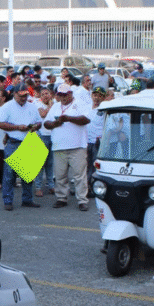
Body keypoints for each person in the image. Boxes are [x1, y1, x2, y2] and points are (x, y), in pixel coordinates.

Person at [0, 83, 43, 210]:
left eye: (25, 95)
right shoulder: (7, 106)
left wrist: (35, 126)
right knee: (9, 175)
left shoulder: (32, 106)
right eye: (21, 95)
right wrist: (17, 127)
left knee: (27, 173)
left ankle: (27, 199)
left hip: (28, 141)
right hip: (14, 142)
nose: (23, 98)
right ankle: (8, 200)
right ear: (15, 94)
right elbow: (0, 124)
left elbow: (39, 122)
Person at [44, 83, 91, 211]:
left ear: (70, 94)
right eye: (60, 95)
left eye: (65, 94)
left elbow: (86, 119)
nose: (63, 97)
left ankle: (82, 199)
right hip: (59, 146)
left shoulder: (80, 104)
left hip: (77, 146)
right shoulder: (55, 106)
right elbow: (46, 124)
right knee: (60, 175)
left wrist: (69, 118)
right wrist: (55, 123)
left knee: (79, 175)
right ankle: (61, 198)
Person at [33, 86, 55, 196]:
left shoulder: (55, 104)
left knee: (50, 163)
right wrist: (51, 106)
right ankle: (38, 187)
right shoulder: (38, 104)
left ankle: (51, 185)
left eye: (47, 93)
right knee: (40, 163)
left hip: (53, 136)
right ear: (40, 97)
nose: (46, 96)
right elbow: (43, 114)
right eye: (43, 94)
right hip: (42, 135)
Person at [86, 86, 107, 193]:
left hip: (97, 142)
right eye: (95, 95)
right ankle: (85, 186)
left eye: (99, 95)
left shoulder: (105, 109)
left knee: (95, 166)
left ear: (103, 97)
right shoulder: (86, 107)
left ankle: (93, 187)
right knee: (85, 166)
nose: (96, 97)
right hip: (85, 141)